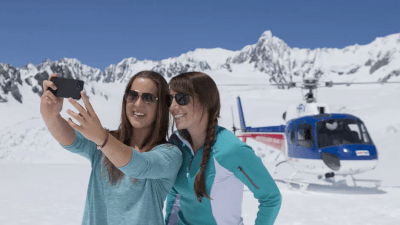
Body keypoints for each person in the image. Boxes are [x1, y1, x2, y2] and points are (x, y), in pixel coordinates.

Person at [40, 71, 182, 225]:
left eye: (148, 98)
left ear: (161, 106)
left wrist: (102, 138)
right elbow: (71, 140)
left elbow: (140, 166)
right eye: (132, 95)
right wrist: (50, 115)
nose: (138, 104)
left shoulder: (170, 154)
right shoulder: (105, 141)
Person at [165, 72, 281, 225]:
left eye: (181, 99)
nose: (172, 107)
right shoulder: (177, 142)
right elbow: (176, 191)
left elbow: (271, 198)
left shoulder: (231, 150)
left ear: (205, 102)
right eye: (169, 99)